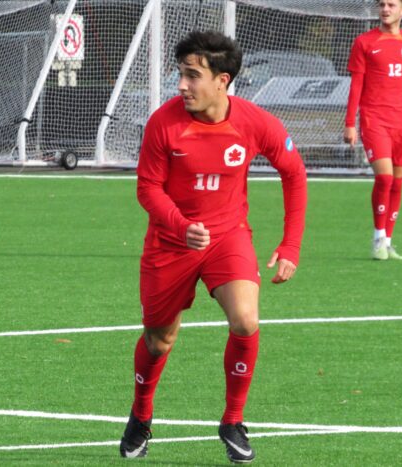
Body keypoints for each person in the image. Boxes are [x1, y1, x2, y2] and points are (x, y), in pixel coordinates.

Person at [118, 31, 307, 464]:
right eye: (180, 74)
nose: (182, 85)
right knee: (160, 339)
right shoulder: (164, 123)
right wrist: (181, 226)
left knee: (246, 319)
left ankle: (233, 421)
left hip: (227, 236)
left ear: (223, 80)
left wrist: (291, 245)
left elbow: (294, 173)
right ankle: (141, 415)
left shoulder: (256, 123)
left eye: (192, 76)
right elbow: (148, 189)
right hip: (170, 242)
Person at [344, 0, 402, 260]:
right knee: (384, 178)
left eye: (391, 5)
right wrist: (350, 122)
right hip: (374, 119)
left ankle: (388, 242)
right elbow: (356, 85)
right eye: (382, 5)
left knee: (397, 182)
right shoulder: (364, 42)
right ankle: (377, 239)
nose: (385, 9)